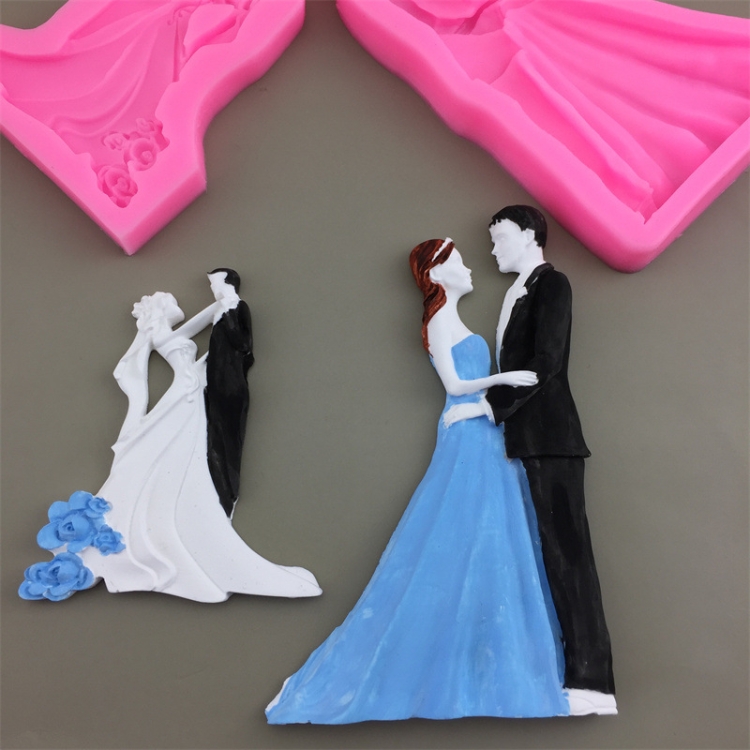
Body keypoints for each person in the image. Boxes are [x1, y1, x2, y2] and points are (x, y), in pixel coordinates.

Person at [265, 238, 570, 723]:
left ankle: (491, 666)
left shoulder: (453, 318)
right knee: (456, 531)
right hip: (466, 430)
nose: (470, 268)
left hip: (485, 432)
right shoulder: (440, 320)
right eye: (459, 262)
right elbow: (453, 385)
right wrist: (500, 379)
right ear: (437, 273)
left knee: (494, 535)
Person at [445, 205, 616, 715]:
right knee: (546, 556)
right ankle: (565, 674)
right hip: (526, 440)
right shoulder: (516, 292)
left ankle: (593, 682)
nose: (493, 249)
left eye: (499, 238)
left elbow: (547, 364)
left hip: (552, 439)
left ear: (527, 235)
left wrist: (485, 406)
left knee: (568, 556)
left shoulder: (552, 285)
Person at [79, 289, 321, 603]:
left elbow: (205, 325)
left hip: (190, 392)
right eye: (169, 305)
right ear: (160, 312)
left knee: (186, 461)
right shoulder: (160, 333)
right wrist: (224, 299)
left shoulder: (168, 333)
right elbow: (143, 368)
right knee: (179, 460)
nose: (175, 309)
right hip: (185, 396)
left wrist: (225, 302)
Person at [204, 268, 253, 517]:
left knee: (229, 436)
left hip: (231, 384)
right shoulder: (219, 310)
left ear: (226, 283)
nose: (213, 289)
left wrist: (229, 313)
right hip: (214, 381)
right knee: (213, 432)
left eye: (215, 283)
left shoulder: (238, 307)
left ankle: (228, 492)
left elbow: (244, 345)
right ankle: (217, 491)